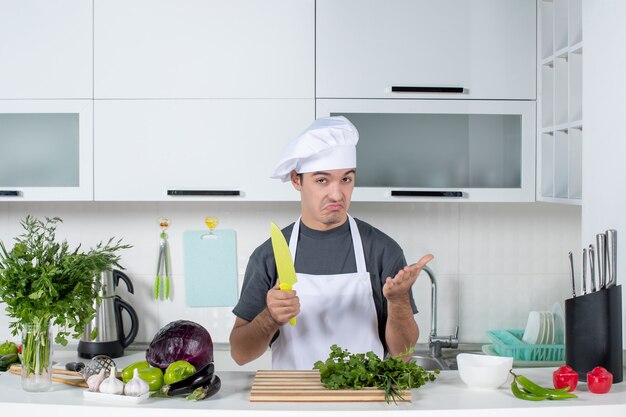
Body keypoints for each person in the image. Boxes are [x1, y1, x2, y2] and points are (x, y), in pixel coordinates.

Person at [229, 116, 433, 370]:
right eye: (322, 180)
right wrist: (268, 318)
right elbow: (240, 354)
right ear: (296, 180)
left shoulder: (382, 250)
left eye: (346, 179)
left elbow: (402, 355)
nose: (337, 194)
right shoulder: (269, 255)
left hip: (364, 403)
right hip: (294, 403)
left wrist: (399, 300)